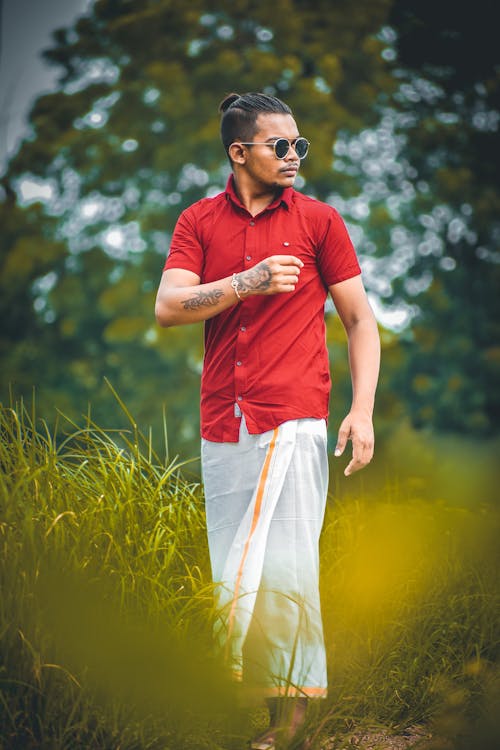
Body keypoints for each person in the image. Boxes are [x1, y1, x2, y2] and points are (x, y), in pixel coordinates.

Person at [155, 92, 380, 750]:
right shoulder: (198, 220)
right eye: (280, 145)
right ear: (239, 151)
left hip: (296, 419)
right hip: (223, 422)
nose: (293, 156)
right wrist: (245, 282)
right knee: (233, 568)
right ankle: (243, 714)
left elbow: (361, 322)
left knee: (288, 570)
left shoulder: (319, 221)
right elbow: (169, 306)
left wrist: (361, 413)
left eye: (298, 145)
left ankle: (292, 728)